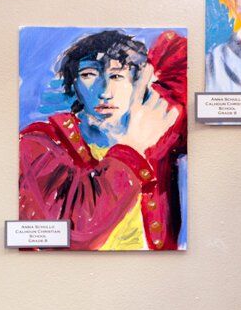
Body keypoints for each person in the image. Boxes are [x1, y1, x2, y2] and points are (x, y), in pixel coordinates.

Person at [19, 30, 187, 251]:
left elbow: (182, 60)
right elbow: (73, 234)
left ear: (139, 81)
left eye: (117, 76)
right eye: (89, 75)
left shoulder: (158, 132)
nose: (105, 92)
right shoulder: (38, 144)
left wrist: (149, 75)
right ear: (74, 85)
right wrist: (130, 150)